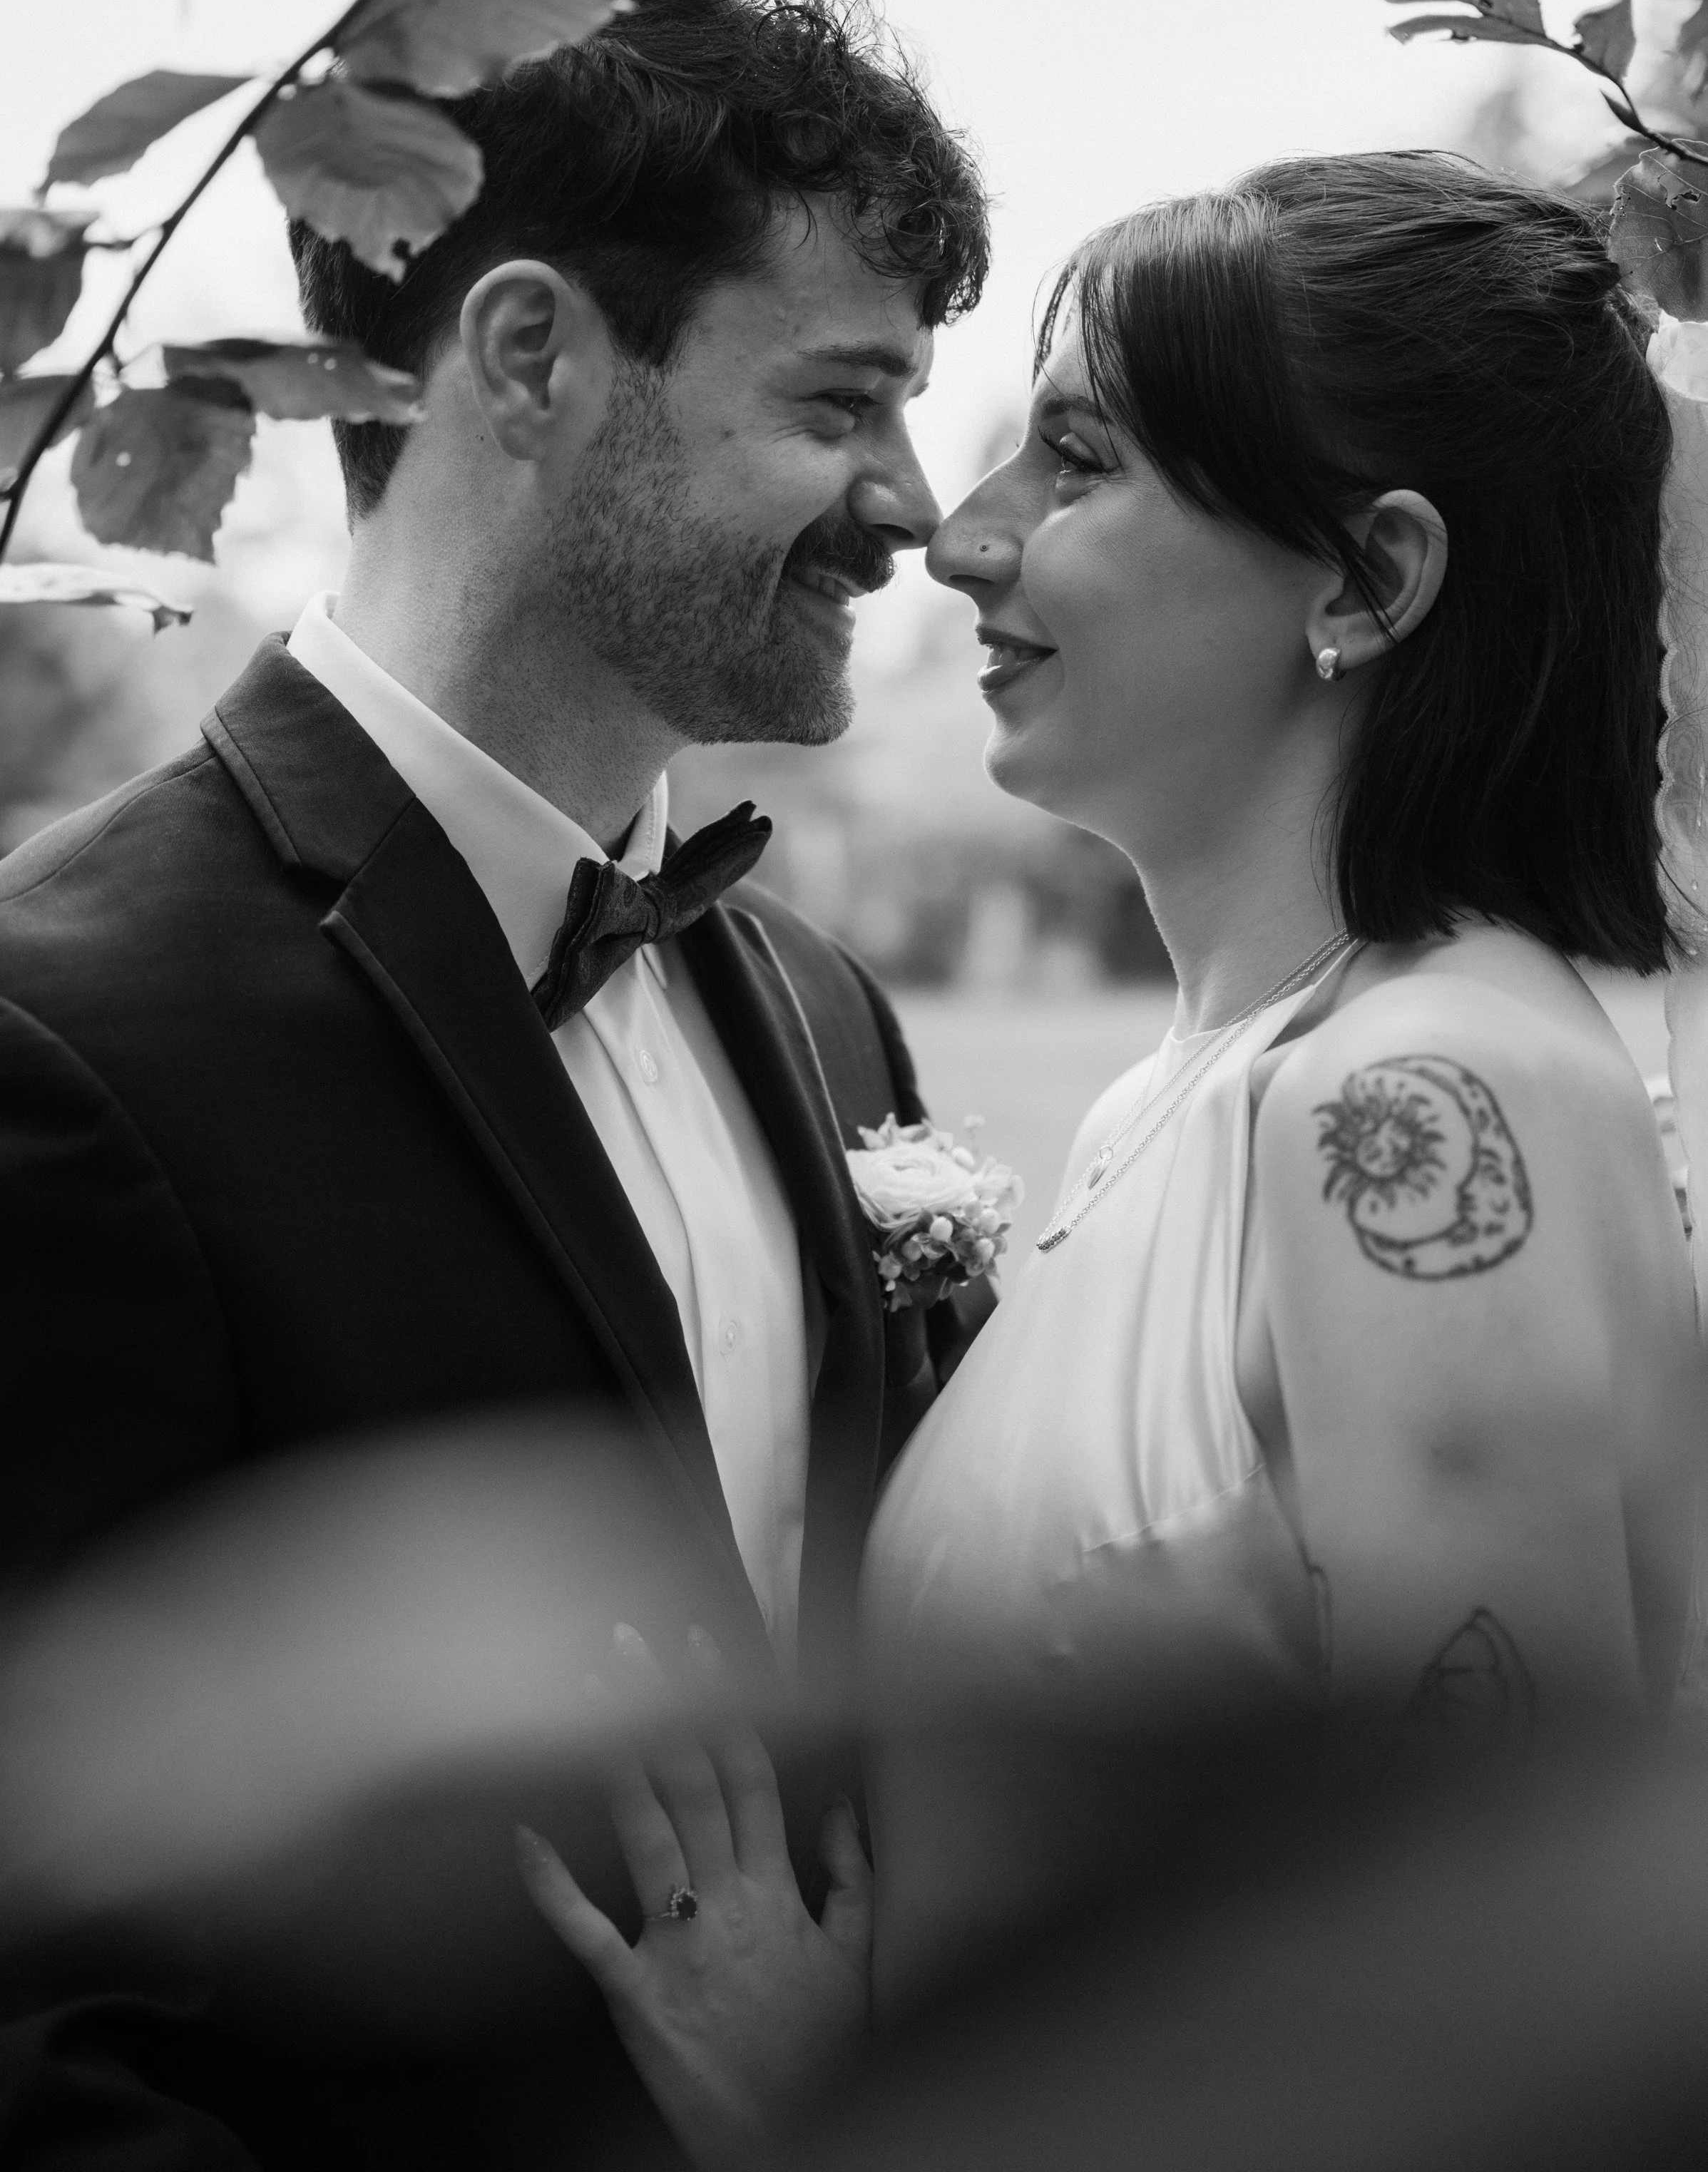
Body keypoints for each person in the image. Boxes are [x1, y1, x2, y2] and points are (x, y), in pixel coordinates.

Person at [520, 151, 1702, 2163]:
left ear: (1365, 582)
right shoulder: (1193, 1099)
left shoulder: (1417, 1108)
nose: (955, 540)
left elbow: (1499, 2026)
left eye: (1074, 464)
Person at [0, 0, 988, 2168]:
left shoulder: (827, 1014)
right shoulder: (54, 1040)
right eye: (842, 403)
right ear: (531, 356)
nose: (914, 504)